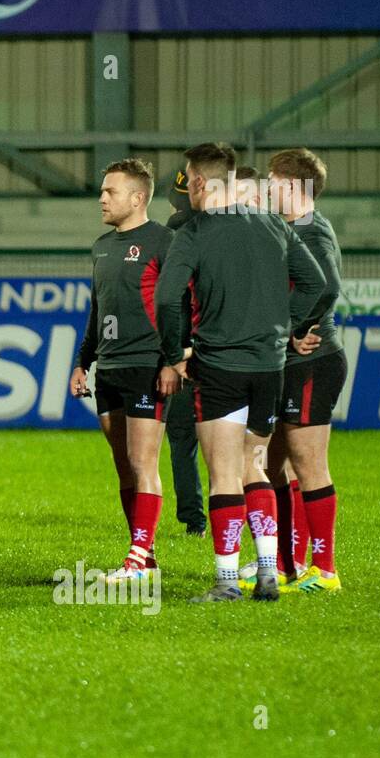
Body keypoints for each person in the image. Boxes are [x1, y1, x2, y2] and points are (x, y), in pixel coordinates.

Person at [153, 142, 326, 603]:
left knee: (224, 473)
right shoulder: (274, 226)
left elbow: (168, 298)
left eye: (189, 180)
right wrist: (284, 328)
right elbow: (316, 284)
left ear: (203, 183)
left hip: (220, 366)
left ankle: (227, 580)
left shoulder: (194, 232)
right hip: (270, 366)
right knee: (257, 467)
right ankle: (269, 572)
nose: (187, 188)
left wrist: (175, 353)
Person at [70, 159, 174, 583]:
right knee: (122, 464)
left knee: (142, 460)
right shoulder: (101, 246)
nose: (101, 198)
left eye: (110, 191)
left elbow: (180, 307)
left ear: (137, 198)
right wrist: (83, 362)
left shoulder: (165, 243)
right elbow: (99, 310)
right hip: (108, 368)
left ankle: (136, 559)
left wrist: (173, 359)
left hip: (146, 365)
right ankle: (144, 554)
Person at [264, 149, 345, 595]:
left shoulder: (313, 231)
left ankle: (325, 570)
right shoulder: (290, 228)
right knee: (273, 464)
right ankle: (286, 565)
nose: (267, 188)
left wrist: (296, 329)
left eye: (273, 180)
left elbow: (327, 286)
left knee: (308, 463)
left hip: (313, 361)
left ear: (293, 186)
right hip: (289, 362)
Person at [163, 169, 207, 536]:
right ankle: (245, 516)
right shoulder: (229, 234)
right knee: (236, 444)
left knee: (182, 441)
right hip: (227, 351)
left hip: (184, 357)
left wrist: (176, 352)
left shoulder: (172, 239)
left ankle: (194, 520)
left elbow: (170, 302)